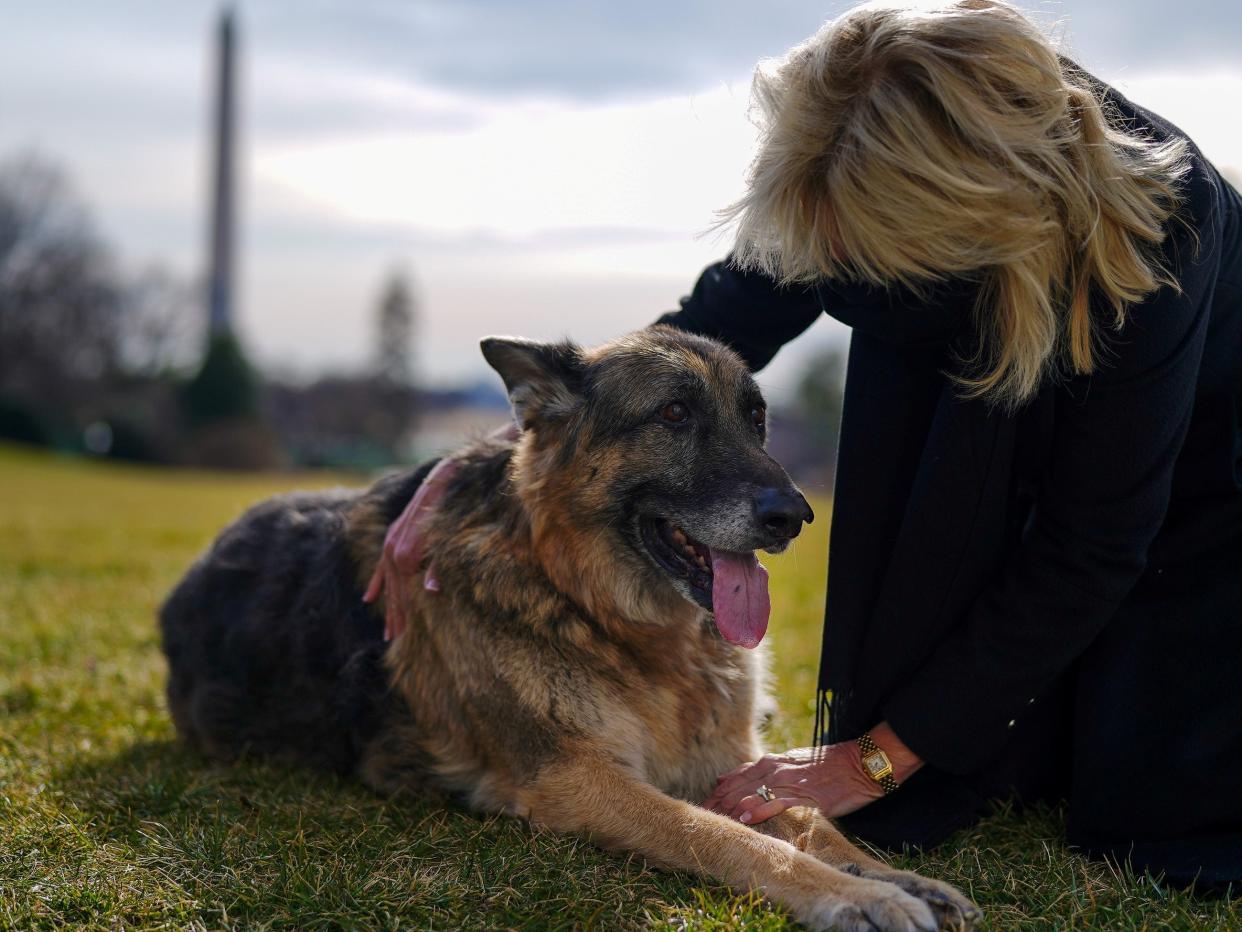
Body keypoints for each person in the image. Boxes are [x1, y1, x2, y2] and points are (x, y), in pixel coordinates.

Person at [367, 0, 1242, 890]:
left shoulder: (1167, 226)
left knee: (1149, 815)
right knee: (960, 779)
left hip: (1201, 497)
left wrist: (870, 761)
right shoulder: (835, 155)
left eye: (860, 255)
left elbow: (1093, 539)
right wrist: (493, 458)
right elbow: (695, 336)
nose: (824, 261)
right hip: (985, 422)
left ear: (961, 216)